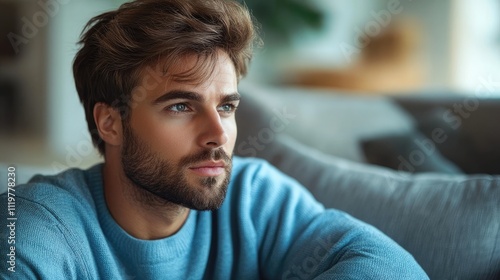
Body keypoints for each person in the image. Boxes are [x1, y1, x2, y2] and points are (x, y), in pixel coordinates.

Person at [0, 0, 428, 278]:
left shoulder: (254, 196)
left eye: (226, 106)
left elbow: (393, 267)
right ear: (110, 123)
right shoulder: (37, 223)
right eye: (180, 107)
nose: (218, 133)